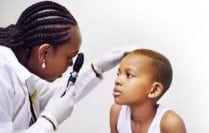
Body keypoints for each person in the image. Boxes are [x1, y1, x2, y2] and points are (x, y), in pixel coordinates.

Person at [0, 1, 136, 132]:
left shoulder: (22, 72)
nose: (71, 64)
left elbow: (54, 96)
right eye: (70, 57)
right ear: (44, 53)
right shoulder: (2, 73)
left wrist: (98, 67)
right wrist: (49, 121)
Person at [110, 49, 186, 133]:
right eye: (118, 74)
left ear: (154, 90)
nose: (118, 80)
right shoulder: (117, 112)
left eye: (129, 75)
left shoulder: (170, 123)